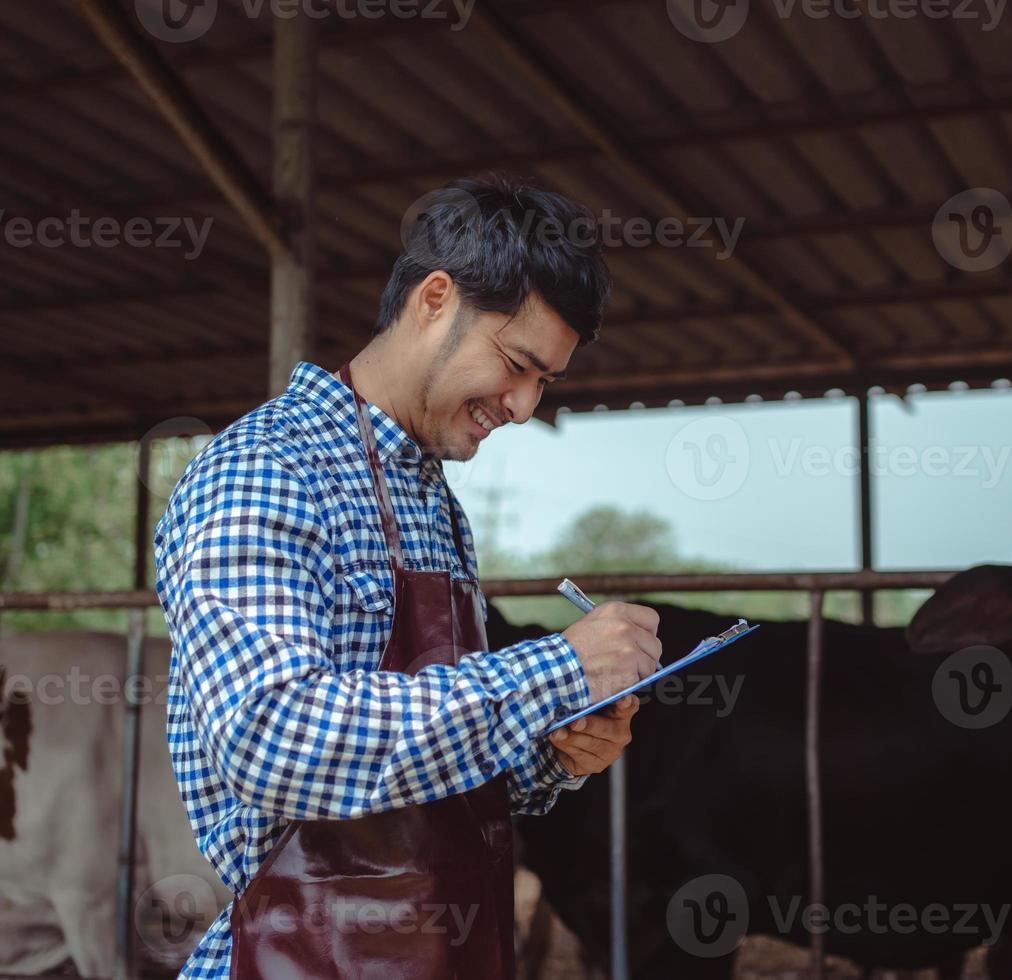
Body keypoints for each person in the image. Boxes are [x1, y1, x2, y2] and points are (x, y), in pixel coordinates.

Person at [154, 174, 664, 979]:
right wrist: (556, 669)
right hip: (302, 960)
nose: (527, 406)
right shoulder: (265, 470)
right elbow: (271, 737)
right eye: (517, 362)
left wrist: (556, 752)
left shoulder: (434, 503)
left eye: (547, 381)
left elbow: (434, 778)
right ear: (434, 299)